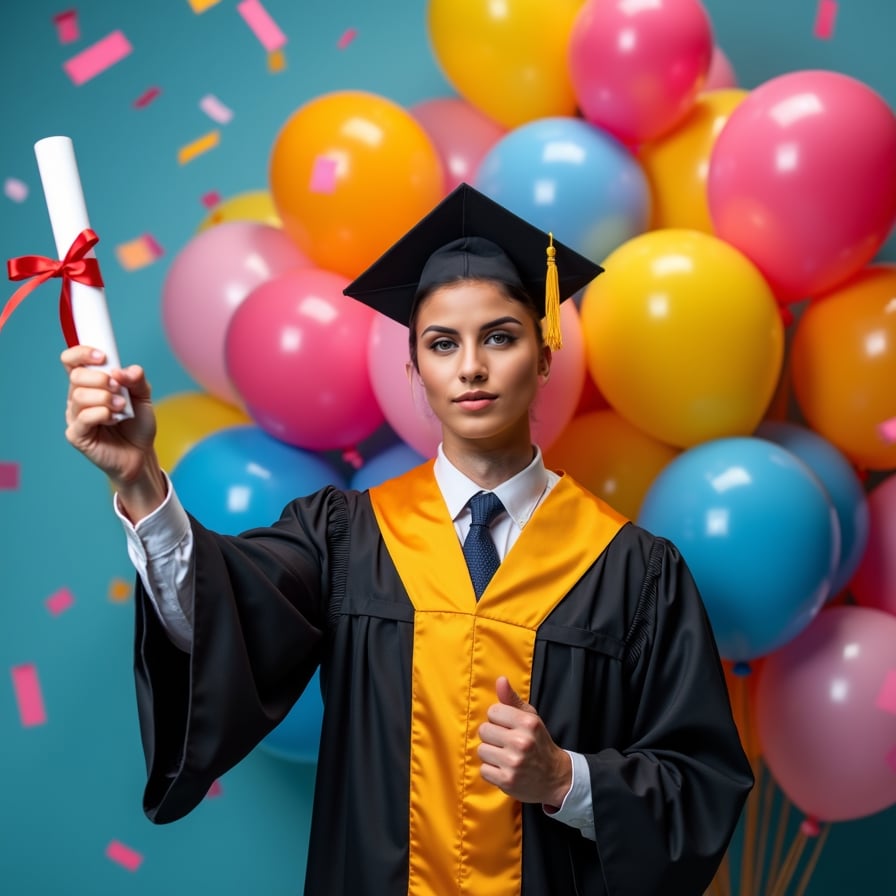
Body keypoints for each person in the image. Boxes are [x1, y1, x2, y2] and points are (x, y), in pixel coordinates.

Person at [62, 183, 752, 895]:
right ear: (414, 369)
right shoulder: (345, 539)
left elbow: (700, 786)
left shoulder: (635, 571)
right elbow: (215, 607)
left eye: (501, 337)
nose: (472, 367)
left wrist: (564, 778)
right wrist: (141, 480)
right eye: (442, 343)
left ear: (545, 356)